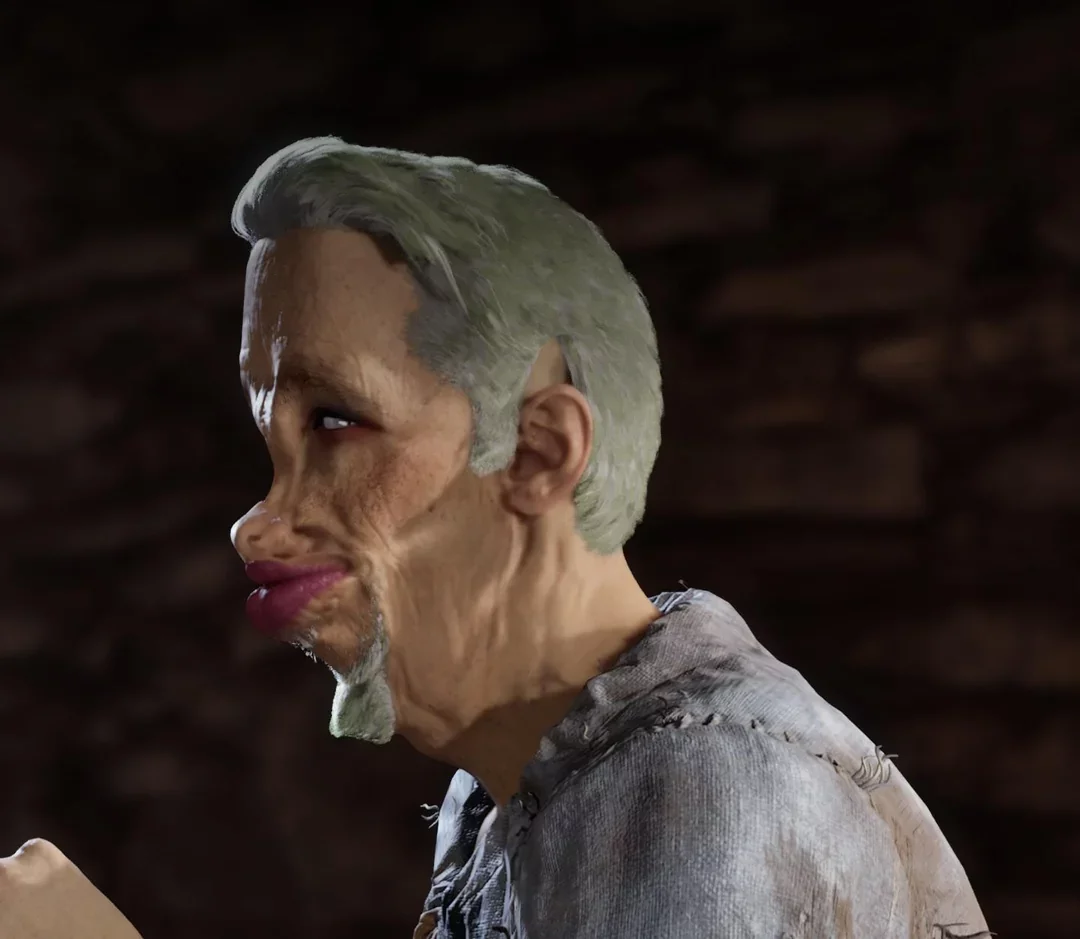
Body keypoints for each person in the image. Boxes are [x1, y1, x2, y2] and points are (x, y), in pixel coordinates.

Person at [2, 139, 990, 939]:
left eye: (335, 422)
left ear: (537, 451)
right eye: (273, 439)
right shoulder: (521, 784)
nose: (256, 522)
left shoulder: (706, 793)